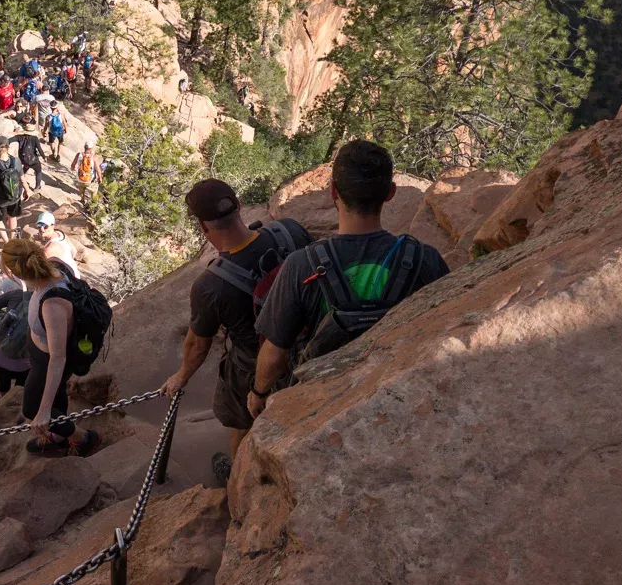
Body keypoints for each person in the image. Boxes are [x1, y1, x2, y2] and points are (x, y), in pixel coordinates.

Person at [247, 140, 451, 424]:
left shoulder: (300, 265)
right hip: (398, 394)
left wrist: (258, 392)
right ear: (390, 193)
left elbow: (274, 355)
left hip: (320, 404)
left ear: (333, 191)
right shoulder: (424, 259)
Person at [161, 179, 312, 485]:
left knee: (242, 421)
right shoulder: (290, 232)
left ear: (204, 227)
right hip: (307, 346)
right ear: (239, 206)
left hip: (252, 367)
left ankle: (238, 478)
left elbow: (198, 346)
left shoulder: (211, 285)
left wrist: (180, 377)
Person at [0, 239, 101, 457]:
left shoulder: (52, 303)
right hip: (40, 356)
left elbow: (58, 358)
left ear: (16, 271)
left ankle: (83, 438)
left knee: (32, 409)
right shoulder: (52, 264)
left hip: (47, 362)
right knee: (57, 394)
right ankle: (59, 436)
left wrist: (44, 411)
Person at [0, 136, 29, 242]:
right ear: (8, 148)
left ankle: (6, 242)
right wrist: (27, 190)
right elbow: (22, 178)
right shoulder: (16, 161)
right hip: (14, 197)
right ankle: (12, 238)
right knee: (12, 217)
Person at [35, 211, 80, 279]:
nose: (42, 229)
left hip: (70, 281)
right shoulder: (61, 234)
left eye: (45, 226)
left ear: (53, 226)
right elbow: (74, 251)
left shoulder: (50, 249)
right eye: (39, 225)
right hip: (75, 274)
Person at [10, 125, 45, 191]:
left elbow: (9, 140)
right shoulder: (35, 138)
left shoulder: (19, 137)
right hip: (33, 160)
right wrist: (44, 157)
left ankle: (17, 180)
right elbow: (40, 149)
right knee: (38, 171)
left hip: (23, 160)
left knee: (25, 167)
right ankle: (37, 187)